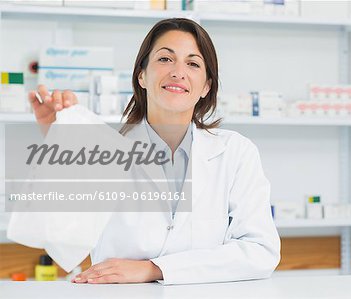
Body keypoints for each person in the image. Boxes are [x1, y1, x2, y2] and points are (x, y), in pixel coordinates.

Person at [29, 18, 280, 285]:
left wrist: (155, 268)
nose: (178, 72)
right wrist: (57, 141)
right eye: (165, 59)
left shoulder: (235, 153)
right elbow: (61, 242)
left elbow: (260, 251)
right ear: (142, 75)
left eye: (193, 63)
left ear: (207, 85)